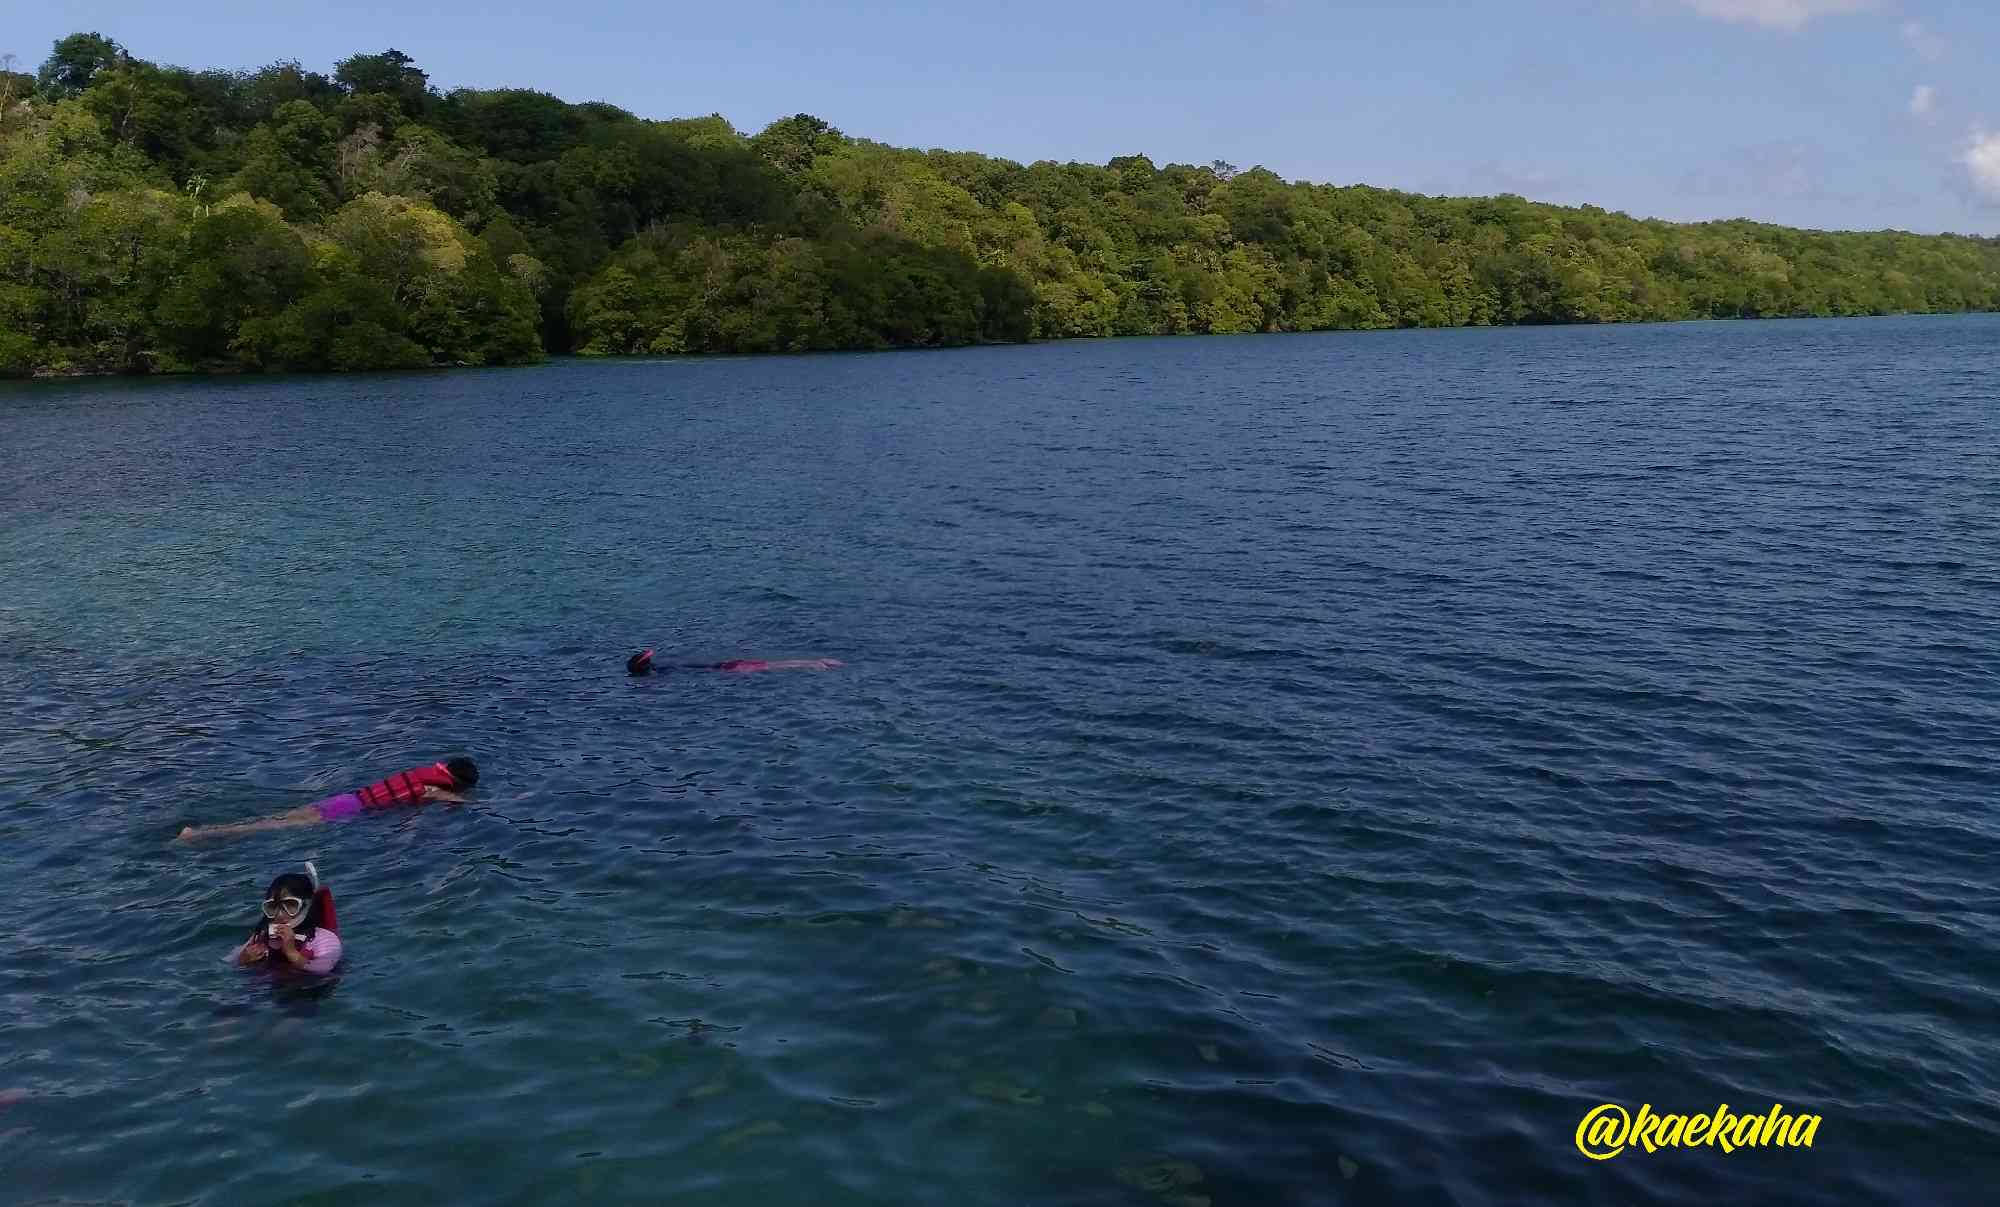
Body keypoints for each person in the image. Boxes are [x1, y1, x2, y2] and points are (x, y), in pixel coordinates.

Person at [177, 757, 479, 842]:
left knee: (272, 819)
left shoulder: (423, 775)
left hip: (345, 799)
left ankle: (201, 831)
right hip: (346, 813)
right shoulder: (434, 790)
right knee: (266, 827)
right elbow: (460, 802)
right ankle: (200, 835)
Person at [235, 862, 343, 974]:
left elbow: (324, 968)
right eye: (273, 906)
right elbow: (227, 961)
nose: (280, 914)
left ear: (307, 906)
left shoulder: (323, 939)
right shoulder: (261, 937)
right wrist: (243, 960)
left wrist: (291, 952)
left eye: (290, 905)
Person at [626, 649, 842, 676]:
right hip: (723, 663)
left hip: (727, 669)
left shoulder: (661, 672)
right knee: (772, 662)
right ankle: (817, 661)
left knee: (772, 666)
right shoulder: (665, 665)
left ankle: (815, 664)